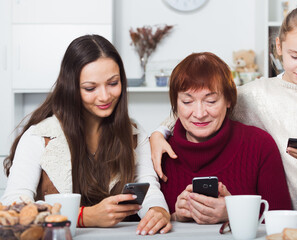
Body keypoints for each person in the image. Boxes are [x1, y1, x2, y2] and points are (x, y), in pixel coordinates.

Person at [150, 6, 297, 226]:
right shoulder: (256, 94)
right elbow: (202, 110)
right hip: (283, 224)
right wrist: (159, 132)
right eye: (295, 56)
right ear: (278, 46)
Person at [1, 34, 171, 235]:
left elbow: (149, 186)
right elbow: (13, 209)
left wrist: (157, 210)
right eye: (90, 88)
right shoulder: (38, 137)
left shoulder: (134, 133)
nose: (105, 96)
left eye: (113, 83)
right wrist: (84, 216)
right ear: (71, 88)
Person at [156, 52, 291, 224]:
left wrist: (235, 213)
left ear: (228, 100)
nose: (199, 114)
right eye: (187, 102)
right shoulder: (159, 151)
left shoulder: (260, 146)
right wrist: (175, 217)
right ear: (175, 103)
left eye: (211, 101)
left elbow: (283, 221)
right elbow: (133, 226)